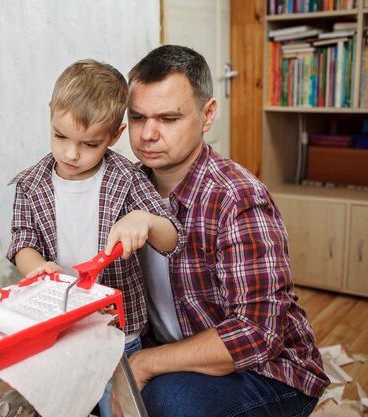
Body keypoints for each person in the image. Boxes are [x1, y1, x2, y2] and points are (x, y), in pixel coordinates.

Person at [105, 44, 329, 417]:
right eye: (139, 117)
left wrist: (146, 363)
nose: (148, 134)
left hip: (269, 372)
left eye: (169, 119)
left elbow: (256, 334)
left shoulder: (237, 198)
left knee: (169, 401)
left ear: (207, 115)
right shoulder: (127, 187)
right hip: (181, 354)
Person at [6, 58, 185, 417]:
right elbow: (21, 243)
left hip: (119, 333)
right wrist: (37, 267)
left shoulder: (127, 179)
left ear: (114, 136)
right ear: (50, 116)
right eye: (60, 137)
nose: (71, 153)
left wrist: (146, 220)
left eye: (89, 144)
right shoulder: (31, 184)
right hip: (61, 330)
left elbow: (171, 238)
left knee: (118, 408)